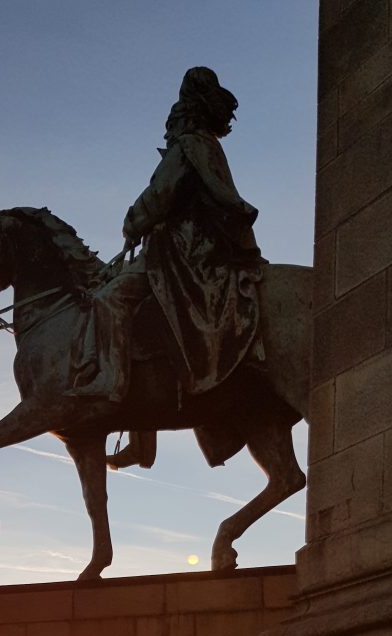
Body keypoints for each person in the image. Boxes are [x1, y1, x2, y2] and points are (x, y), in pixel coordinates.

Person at [70, 67, 265, 412]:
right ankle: (140, 433)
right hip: (200, 246)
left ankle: (111, 382)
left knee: (109, 299)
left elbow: (160, 194)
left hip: (181, 251)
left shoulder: (188, 147)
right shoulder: (206, 145)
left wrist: (132, 222)